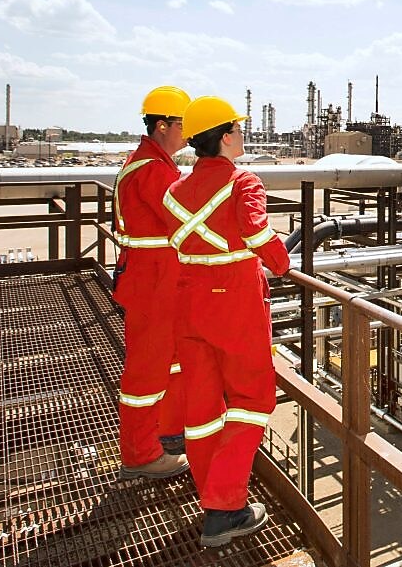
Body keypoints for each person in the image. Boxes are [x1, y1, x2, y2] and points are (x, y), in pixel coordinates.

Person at [163, 95, 290, 548]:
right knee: (252, 400)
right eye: (237, 128)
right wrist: (281, 262)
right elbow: (257, 231)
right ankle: (224, 507)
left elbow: (177, 241)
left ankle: (210, 495)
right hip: (234, 301)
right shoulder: (243, 182)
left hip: (189, 300)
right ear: (223, 137)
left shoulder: (175, 191)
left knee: (202, 408)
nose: (242, 134)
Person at [113, 85, 192, 481]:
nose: (188, 132)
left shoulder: (151, 163)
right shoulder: (152, 171)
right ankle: (140, 454)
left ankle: (167, 433)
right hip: (153, 284)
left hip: (157, 281)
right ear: (162, 125)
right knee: (147, 370)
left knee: (169, 362)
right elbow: (186, 220)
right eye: (183, 124)